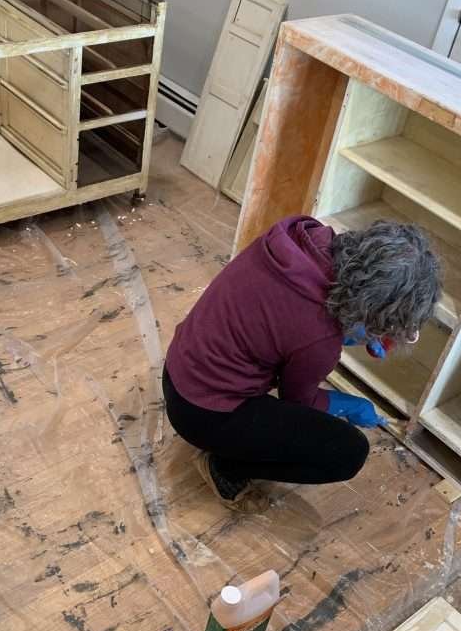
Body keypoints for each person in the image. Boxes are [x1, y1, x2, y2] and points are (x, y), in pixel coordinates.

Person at [163, 216, 441, 512]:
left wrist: (351, 330)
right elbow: (298, 401)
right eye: (382, 328)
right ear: (372, 312)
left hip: (180, 365)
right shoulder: (319, 340)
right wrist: (350, 404)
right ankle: (224, 466)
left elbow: (286, 316)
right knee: (347, 453)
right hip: (200, 411)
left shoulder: (298, 235)